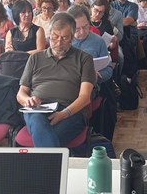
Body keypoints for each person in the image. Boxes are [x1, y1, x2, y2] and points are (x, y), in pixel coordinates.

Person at [17, 12, 95, 147]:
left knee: (48, 137)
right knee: (39, 124)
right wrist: (27, 100)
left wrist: (63, 114)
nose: (59, 43)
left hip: (70, 111)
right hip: (38, 109)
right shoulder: (35, 58)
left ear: (72, 37)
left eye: (64, 38)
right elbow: (21, 93)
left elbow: (85, 97)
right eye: (55, 37)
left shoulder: (84, 59)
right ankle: (52, 160)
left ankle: (45, 160)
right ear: (49, 35)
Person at [68, 5, 113, 84]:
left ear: (89, 22)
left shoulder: (99, 41)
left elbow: (108, 69)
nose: (82, 32)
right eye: (77, 29)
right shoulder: (63, 40)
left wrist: (98, 75)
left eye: (85, 26)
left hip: (90, 84)